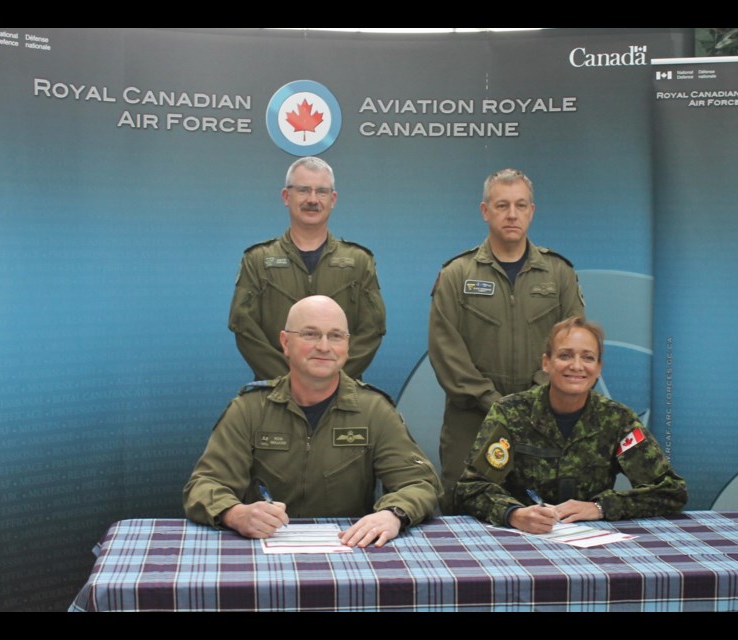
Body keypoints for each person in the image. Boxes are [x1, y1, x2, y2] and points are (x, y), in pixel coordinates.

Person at [185, 295, 440, 547]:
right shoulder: (250, 409)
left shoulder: (373, 410)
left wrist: (393, 514)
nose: (324, 346)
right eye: (310, 334)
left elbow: (420, 483)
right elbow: (204, 485)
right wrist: (235, 514)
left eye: (336, 336)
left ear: (347, 345)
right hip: (263, 552)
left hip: (349, 549)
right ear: (285, 342)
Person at [428, 168, 585, 513]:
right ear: (485, 211)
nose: (512, 214)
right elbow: (445, 349)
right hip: (473, 421)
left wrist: (534, 400)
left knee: (548, 519)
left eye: (520, 205)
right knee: (465, 514)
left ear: (532, 210)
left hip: (544, 420)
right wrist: (492, 402)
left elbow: (573, 344)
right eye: (502, 205)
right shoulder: (457, 274)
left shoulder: (559, 274)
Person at [455, 317, 687, 533]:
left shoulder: (618, 420)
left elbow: (671, 491)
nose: (577, 366)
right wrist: (513, 514)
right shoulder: (510, 413)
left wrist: (600, 507)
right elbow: (471, 488)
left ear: (598, 368)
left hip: (594, 539)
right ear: (546, 363)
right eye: (565, 355)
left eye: (587, 358)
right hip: (521, 537)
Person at [229, 156, 385, 381]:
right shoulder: (257, 260)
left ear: (333, 199)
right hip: (275, 395)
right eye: (303, 190)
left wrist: (330, 380)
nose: (313, 199)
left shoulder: (359, 261)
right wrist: (292, 382)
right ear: (286, 196)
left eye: (321, 191)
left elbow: (372, 330)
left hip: (341, 397)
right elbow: (245, 328)